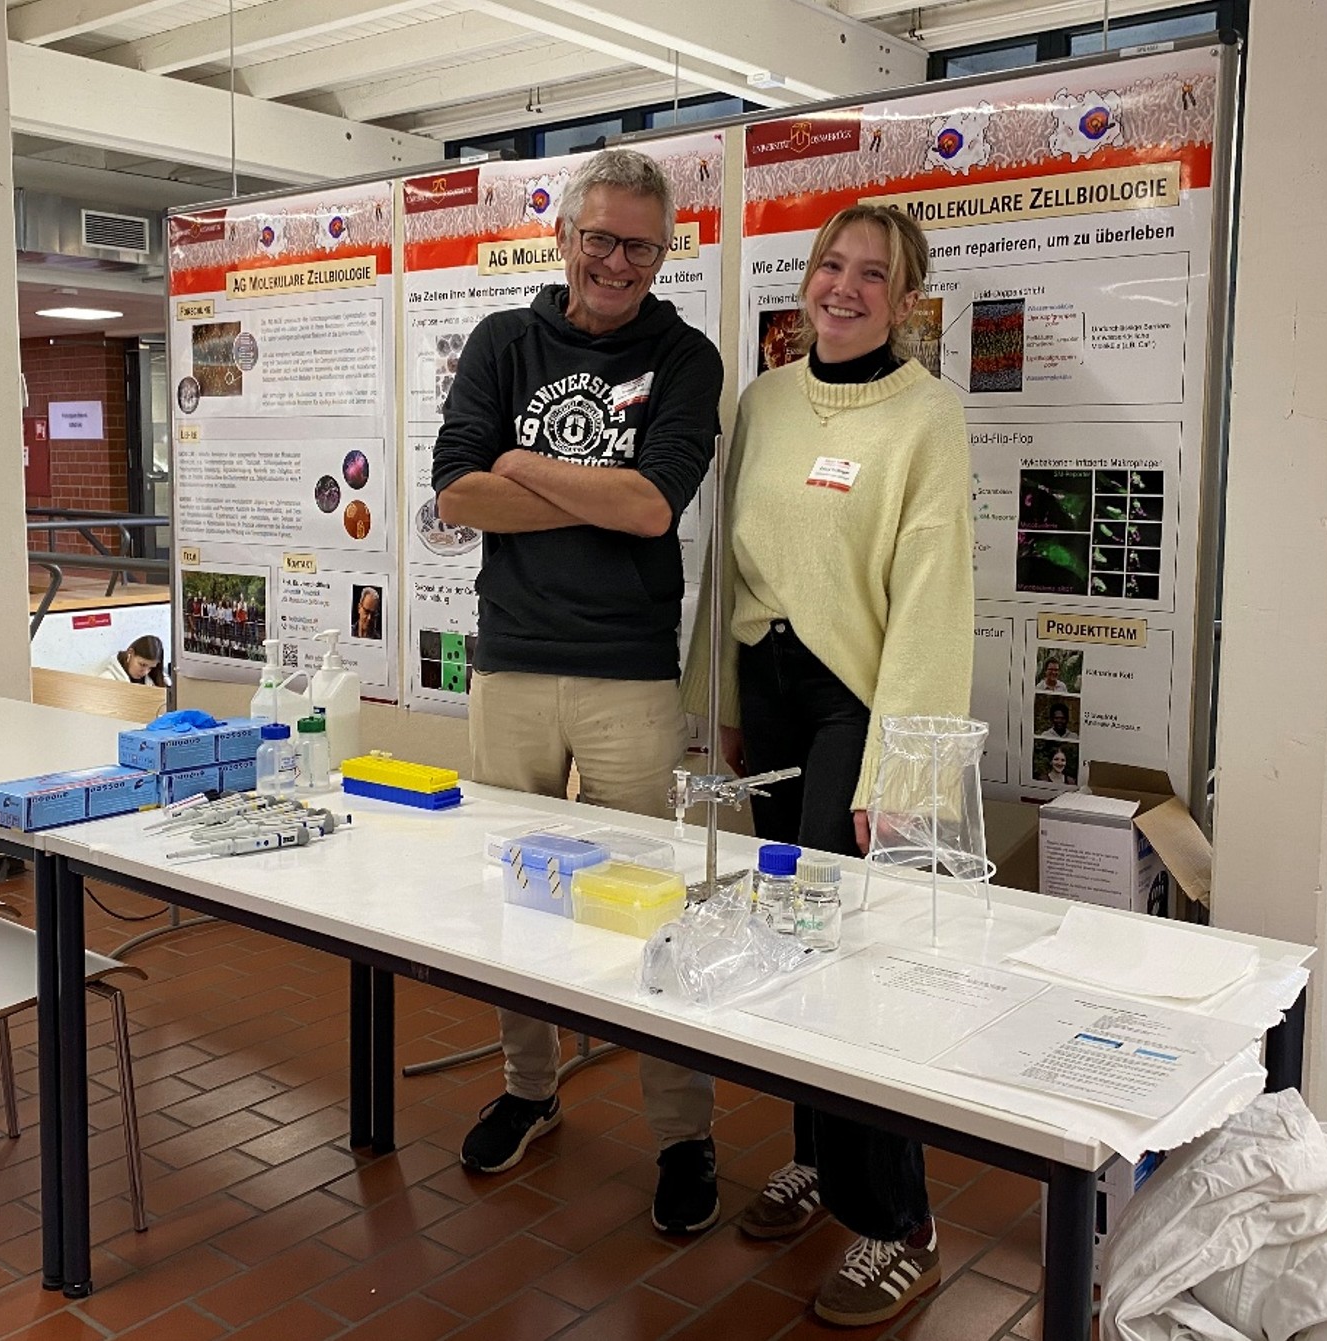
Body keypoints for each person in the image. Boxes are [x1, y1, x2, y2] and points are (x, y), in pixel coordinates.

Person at [682, 203, 971, 1328]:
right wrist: (725, 708)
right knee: (788, 950)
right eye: (828, 267)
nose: (842, 288)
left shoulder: (926, 413)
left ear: (906, 302)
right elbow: (737, 568)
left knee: (855, 964)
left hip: (861, 700)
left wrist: (899, 774)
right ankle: (817, 1158)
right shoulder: (762, 401)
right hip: (771, 687)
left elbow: (936, 593)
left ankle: (899, 1220)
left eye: (872, 276)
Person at [432, 147, 725, 1234]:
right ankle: (529, 1087)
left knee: (655, 912)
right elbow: (457, 497)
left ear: (662, 251)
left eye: (636, 245)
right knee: (518, 896)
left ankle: (682, 1132)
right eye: (597, 237)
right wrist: (593, 492)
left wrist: (526, 470)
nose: (613, 260)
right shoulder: (504, 341)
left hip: (630, 676)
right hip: (508, 661)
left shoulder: (686, 356)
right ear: (563, 237)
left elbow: (655, 509)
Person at [101, 635, 167, 687]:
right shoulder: (106, 680)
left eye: (151, 668)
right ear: (131, 652)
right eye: (142, 665)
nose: (145, 672)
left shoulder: (155, 679)